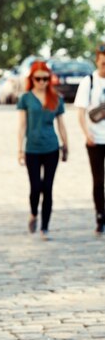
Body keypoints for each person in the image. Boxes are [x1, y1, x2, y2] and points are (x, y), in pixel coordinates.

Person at [17, 60, 69, 239]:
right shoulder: (26, 98)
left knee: (47, 187)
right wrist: (20, 149)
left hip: (51, 148)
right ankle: (33, 213)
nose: (42, 82)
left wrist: (66, 145)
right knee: (35, 187)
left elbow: (62, 125)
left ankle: (45, 227)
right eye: (38, 78)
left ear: (49, 79)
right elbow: (22, 125)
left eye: (45, 78)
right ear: (32, 78)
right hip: (32, 149)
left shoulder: (56, 98)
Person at [74, 43, 105, 234]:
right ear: (98, 61)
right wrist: (87, 134)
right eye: (103, 63)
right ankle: (100, 216)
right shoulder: (89, 81)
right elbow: (80, 112)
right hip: (95, 140)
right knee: (98, 181)